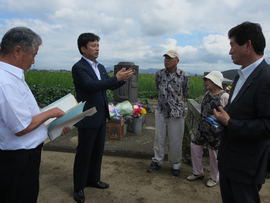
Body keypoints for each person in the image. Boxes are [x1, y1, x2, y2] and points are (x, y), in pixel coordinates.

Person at [0, 27, 70, 203]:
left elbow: (21, 113)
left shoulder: (12, 76)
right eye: (34, 55)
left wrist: (50, 122)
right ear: (18, 51)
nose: (33, 61)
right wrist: (51, 112)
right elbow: (21, 127)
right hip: (18, 158)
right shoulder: (5, 81)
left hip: (24, 154)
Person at [72, 33, 133, 203]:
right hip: (88, 116)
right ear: (83, 49)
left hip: (101, 115)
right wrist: (115, 78)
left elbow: (107, 84)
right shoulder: (79, 68)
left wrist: (121, 79)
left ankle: (93, 180)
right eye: (93, 45)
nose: (97, 48)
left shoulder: (100, 67)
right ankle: (79, 187)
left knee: (97, 151)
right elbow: (92, 86)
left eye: (98, 45)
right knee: (84, 153)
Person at [214, 21, 270, 203]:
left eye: (232, 45)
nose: (230, 51)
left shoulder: (266, 78)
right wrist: (224, 120)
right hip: (229, 160)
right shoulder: (240, 76)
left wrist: (230, 123)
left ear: (248, 45)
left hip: (247, 166)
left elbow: (267, 126)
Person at [147, 50, 189, 176]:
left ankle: (175, 164)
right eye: (165, 58)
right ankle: (157, 161)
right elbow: (158, 89)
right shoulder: (159, 74)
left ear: (177, 61)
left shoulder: (184, 75)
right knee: (159, 138)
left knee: (175, 140)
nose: (167, 60)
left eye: (170, 58)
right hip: (161, 110)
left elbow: (185, 93)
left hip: (176, 113)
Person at [187, 71, 229, 187]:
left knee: (214, 154)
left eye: (209, 80)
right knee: (195, 146)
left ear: (215, 81)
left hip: (216, 131)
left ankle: (214, 177)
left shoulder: (224, 96)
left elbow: (228, 115)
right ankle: (197, 172)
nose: (206, 82)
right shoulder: (207, 94)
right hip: (203, 128)